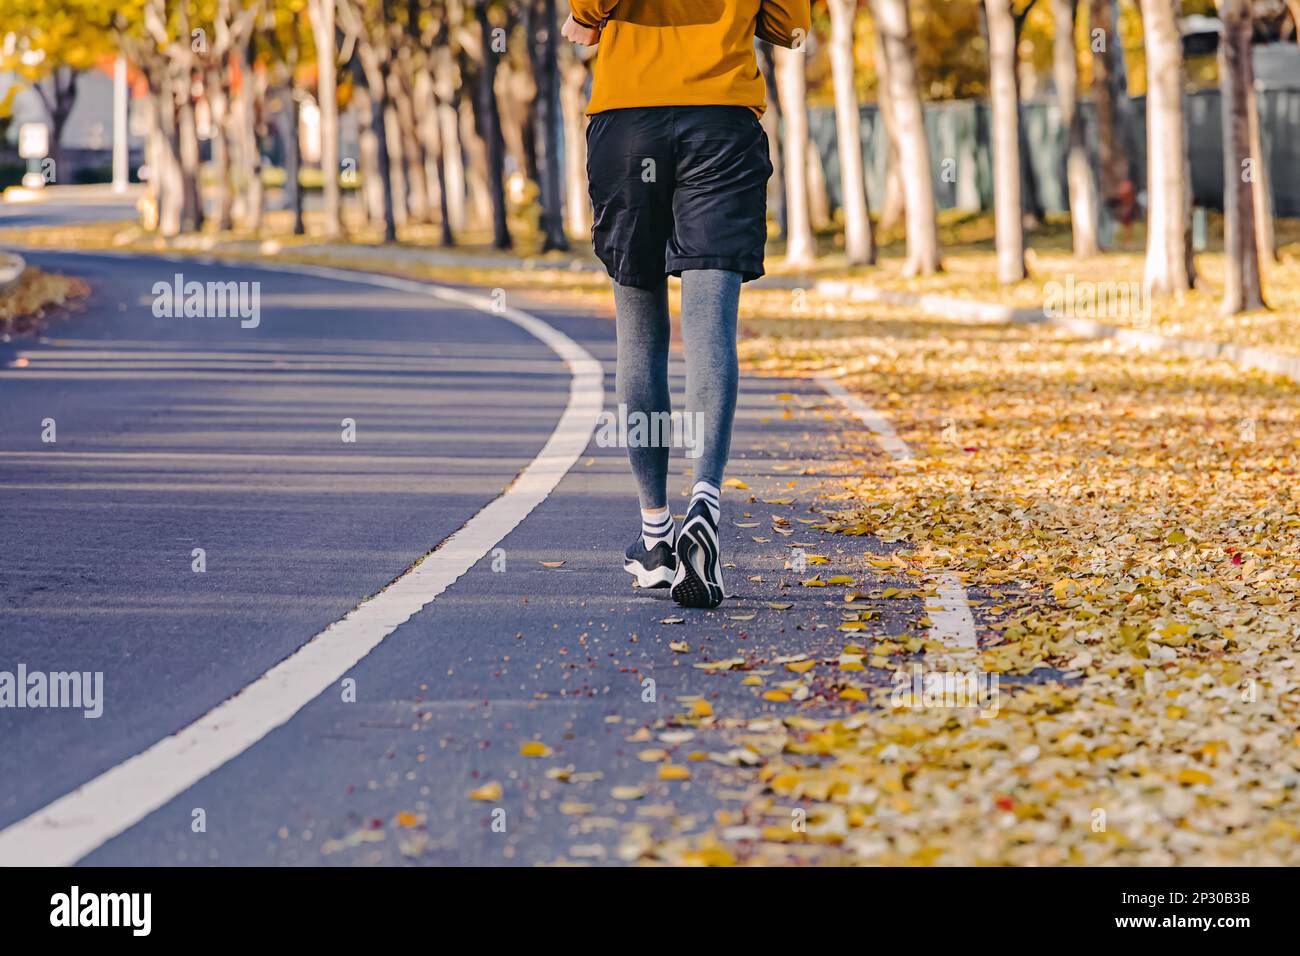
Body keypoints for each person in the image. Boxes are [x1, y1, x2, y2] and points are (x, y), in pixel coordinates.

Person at [563, 0, 810, 609]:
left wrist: (589, 24)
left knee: (639, 330)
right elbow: (790, 26)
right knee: (710, 326)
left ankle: (656, 535)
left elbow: (586, 8)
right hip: (722, 123)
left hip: (629, 122)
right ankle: (705, 500)